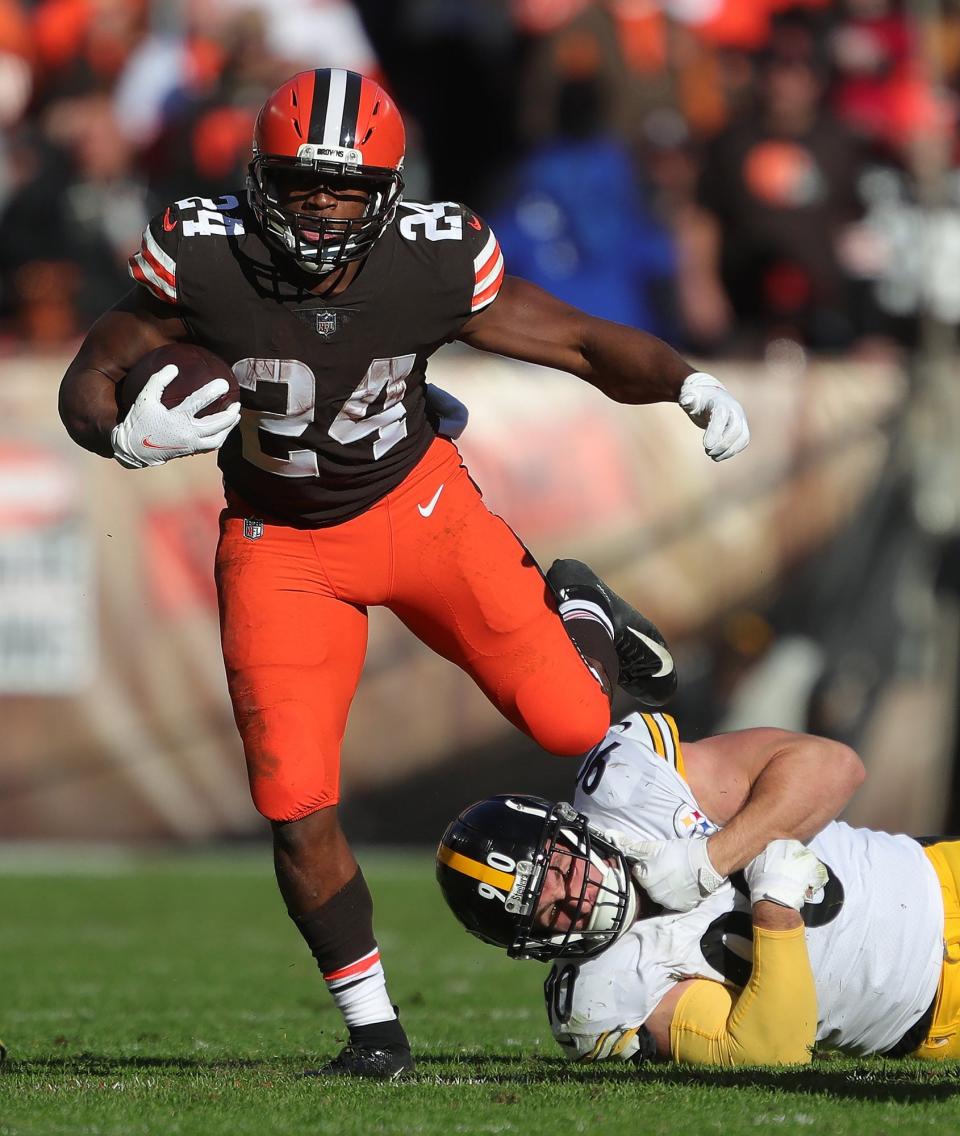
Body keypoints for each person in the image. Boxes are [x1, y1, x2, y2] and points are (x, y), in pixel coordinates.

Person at [58, 67, 750, 1079]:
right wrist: (117, 431)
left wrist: (682, 378)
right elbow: (92, 369)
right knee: (294, 801)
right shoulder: (205, 255)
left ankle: (578, 610)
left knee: (573, 723)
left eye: (345, 188)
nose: (324, 207)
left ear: (387, 191)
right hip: (279, 543)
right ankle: (375, 1032)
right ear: (261, 180)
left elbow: (575, 339)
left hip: (420, 507)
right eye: (302, 183)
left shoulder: (432, 260)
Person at [437, 709, 960, 1065]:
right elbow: (770, 1051)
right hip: (930, 1010)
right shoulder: (602, 995)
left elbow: (835, 767)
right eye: (539, 909)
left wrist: (712, 859)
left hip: (943, 876)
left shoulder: (631, 785)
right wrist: (775, 909)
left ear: (564, 828)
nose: (569, 895)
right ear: (528, 942)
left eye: (554, 869)